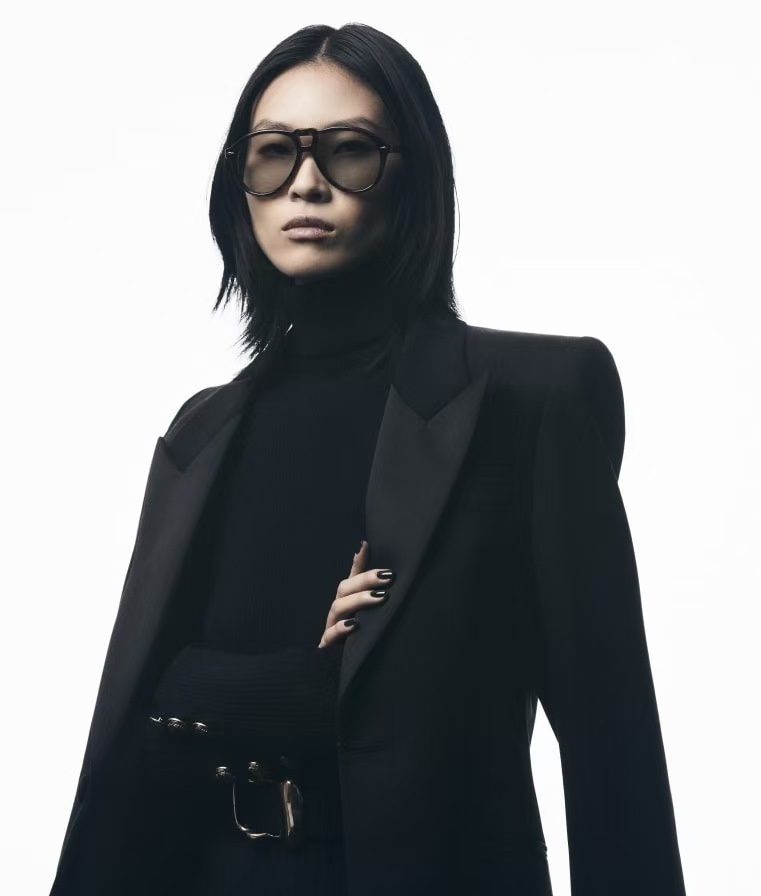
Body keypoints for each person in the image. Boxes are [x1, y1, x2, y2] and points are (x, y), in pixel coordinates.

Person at [49, 21, 687, 896]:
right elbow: (143, 726)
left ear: (412, 177)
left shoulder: (530, 399)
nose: (305, 181)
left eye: (348, 150)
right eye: (273, 153)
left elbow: (613, 753)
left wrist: (214, 691)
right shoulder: (202, 431)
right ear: (239, 183)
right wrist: (296, 688)